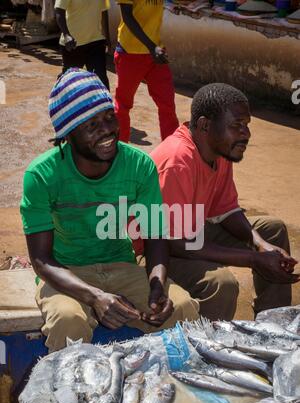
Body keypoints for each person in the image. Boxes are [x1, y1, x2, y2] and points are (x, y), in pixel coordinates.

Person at [20, 68, 198, 352]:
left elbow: (155, 236)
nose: (107, 131)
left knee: (184, 308)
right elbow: (41, 260)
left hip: (122, 266)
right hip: (67, 272)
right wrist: (95, 297)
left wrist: (157, 285)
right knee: (68, 323)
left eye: (108, 118)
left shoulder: (139, 165)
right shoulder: (41, 175)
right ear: (67, 134)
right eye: (91, 125)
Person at [150, 83, 299, 321]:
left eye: (246, 125)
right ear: (204, 125)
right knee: (221, 283)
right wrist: (254, 258)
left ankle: (273, 324)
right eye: (236, 126)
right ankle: (210, 349)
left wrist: (261, 245)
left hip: (189, 233)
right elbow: (176, 243)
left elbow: (226, 209)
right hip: (154, 250)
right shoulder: (177, 162)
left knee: (271, 230)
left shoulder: (219, 150)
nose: (246, 133)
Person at [114, 0, 179, 143]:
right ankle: (119, 150)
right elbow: (127, 16)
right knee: (123, 105)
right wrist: (152, 47)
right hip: (130, 52)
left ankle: (172, 149)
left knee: (167, 103)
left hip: (155, 51)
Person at [55, 0, 110, 89]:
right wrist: (66, 35)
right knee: (70, 82)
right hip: (73, 44)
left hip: (96, 41)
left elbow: (104, 11)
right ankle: (60, 96)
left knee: (101, 80)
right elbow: (59, 11)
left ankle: (104, 103)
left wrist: (107, 37)